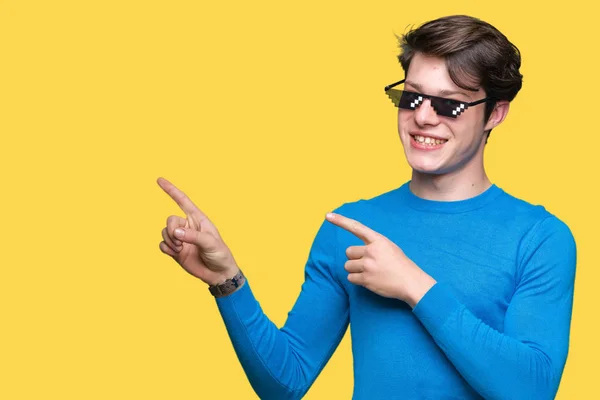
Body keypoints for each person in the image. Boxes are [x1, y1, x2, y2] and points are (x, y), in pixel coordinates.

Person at [157, 14, 577, 400]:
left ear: (495, 114)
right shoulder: (352, 227)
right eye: (412, 98)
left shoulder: (540, 237)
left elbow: (531, 390)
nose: (424, 118)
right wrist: (227, 281)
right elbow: (285, 382)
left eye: (449, 104)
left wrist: (414, 286)